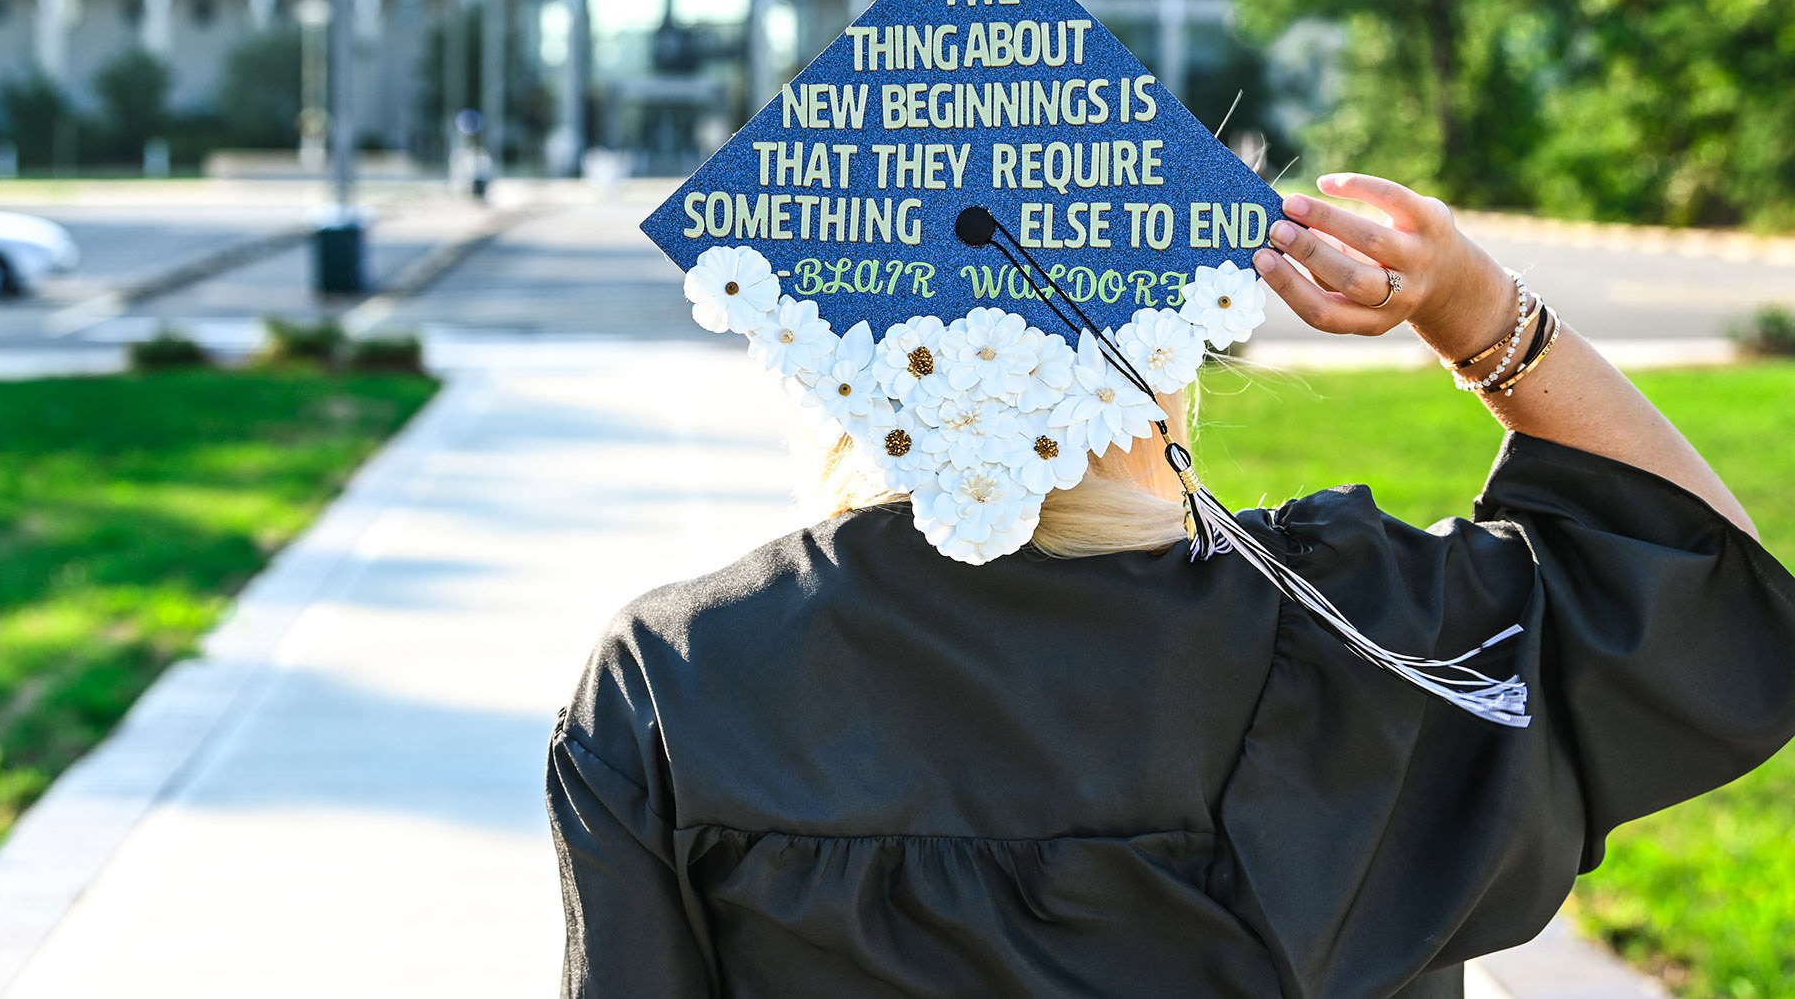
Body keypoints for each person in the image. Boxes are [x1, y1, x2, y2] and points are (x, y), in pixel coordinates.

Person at [547, 173, 1795, 999]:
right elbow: (1706, 598)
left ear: (840, 358)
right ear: (1167, 347)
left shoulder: (680, 676)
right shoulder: (1370, 629)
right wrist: (1480, 308)